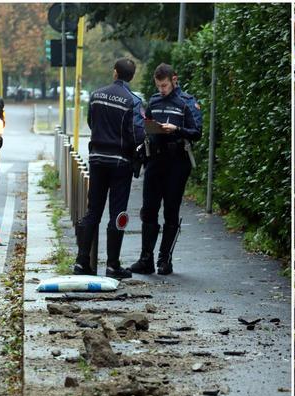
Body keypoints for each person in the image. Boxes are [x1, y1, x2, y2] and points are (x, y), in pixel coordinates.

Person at [74, 58, 145, 279]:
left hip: (96, 159)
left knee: (93, 210)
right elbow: (138, 133)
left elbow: (91, 122)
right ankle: (113, 265)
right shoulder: (133, 101)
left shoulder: (96, 95)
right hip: (120, 162)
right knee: (118, 213)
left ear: (115, 73)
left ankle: (82, 261)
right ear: (130, 77)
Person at [130, 63, 202, 275]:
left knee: (171, 209)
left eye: (165, 85)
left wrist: (177, 129)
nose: (162, 89)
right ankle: (146, 259)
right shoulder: (153, 100)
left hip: (177, 161)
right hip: (155, 160)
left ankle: (165, 260)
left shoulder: (187, 102)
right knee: (148, 210)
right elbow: (148, 122)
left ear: (174, 80)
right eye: (159, 85)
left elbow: (197, 132)